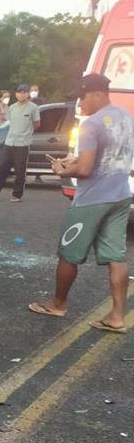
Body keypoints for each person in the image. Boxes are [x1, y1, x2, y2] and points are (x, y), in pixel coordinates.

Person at [28, 74, 134, 333]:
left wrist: (62, 170)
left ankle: (57, 304)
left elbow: (85, 170)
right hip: (120, 195)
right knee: (116, 256)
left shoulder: (91, 124)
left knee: (69, 253)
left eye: (83, 97)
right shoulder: (126, 118)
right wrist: (74, 161)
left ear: (97, 94)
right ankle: (117, 316)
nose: (80, 103)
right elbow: (110, 156)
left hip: (92, 200)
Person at [0, 84, 41, 202]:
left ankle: (17, 195)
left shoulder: (33, 107)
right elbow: (7, 122)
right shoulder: (12, 107)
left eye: (24, 92)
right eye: (19, 92)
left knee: (20, 170)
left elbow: (37, 124)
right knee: (1, 168)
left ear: (28, 94)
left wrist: (27, 132)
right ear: (16, 94)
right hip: (9, 142)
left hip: (23, 143)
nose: (21, 94)